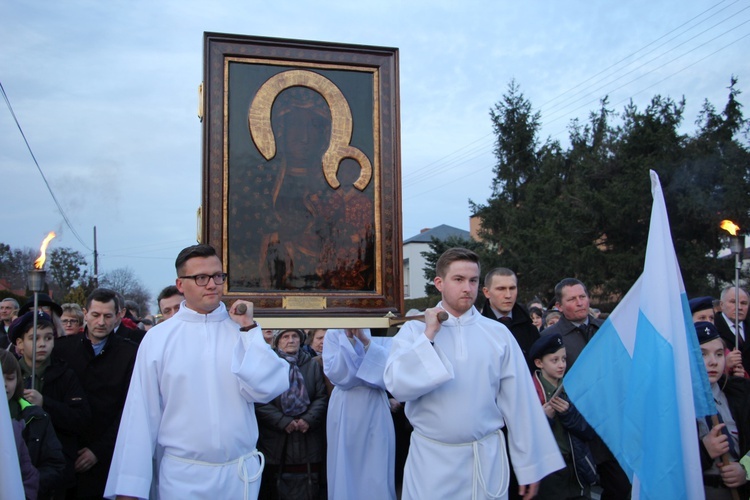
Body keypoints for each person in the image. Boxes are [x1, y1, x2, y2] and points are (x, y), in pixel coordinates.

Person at [104, 244, 289, 500]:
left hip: (239, 475)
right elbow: (141, 415)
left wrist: (249, 330)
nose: (212, 284)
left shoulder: (241, 331)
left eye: (217, 276)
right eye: (201, 278)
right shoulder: (158, 339)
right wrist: (130, 488)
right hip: (183, 477)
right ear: (180, 284)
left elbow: (267, 388)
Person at [384, 248, 563, 500]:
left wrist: (529, 465)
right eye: (458, 280)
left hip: (485, 459)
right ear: (439, 283)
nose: (467, 288)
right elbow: (399, 386)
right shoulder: (414, 332)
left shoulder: (497, 334)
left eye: (473, 280)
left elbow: (520, 403)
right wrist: (429, 336)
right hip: (431, 463)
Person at [542, 278, 630, 499]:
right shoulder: (550, 338)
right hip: (574, 429)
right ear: (559, 307)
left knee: (620, 488)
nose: (580, 303)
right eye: (572, 299)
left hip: (611, 425)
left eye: (582, 297)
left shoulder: (607, 330)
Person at [53, 288, 139, 498]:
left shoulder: (130, 353)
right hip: (66, 452)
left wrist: (98, 450)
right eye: (95, 315)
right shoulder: (63, 350)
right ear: (85, 314)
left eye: (108, 316)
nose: (101, 322)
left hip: (107, 455)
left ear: (119, 316)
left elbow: (130, 408)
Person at [11, 310, 91, 496]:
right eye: (34, 338)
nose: (42, 344)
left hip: (56, 472)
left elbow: (81, 418)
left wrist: (45, 404)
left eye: (48, 338)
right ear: (20, 344)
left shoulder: (65, 374)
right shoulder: (10, 375)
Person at [324, 328, 396, 500]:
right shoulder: (334, 332)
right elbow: (337, 375)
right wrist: (349, 340)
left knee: (377, 461)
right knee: (345, 464)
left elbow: (390, 371)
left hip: (375, 403)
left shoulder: (383, 330)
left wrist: (365, 342)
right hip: (345, 403)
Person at [256, 329, 328, 500]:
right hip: (276, 440)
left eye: (295, 336)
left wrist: (307, 420)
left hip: (308, 438)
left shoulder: (311, 365)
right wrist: (283, 421)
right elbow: (260, 399)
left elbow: (321, 396)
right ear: (277, 341)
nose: (291, 340)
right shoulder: (267, 364)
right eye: (285, 336)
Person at [529, 334, 596, 499]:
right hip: (549, 472)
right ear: (539, 363)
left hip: (576, 466)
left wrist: (569, 414)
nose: (561, 365)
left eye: (564, 359)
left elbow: (589, 431)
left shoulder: (573, 388)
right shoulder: (529, 392)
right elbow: (525, 439)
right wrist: (544, 419)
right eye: (554, 360)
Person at [695, 321, 750, 499]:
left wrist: (745, 470)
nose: (713, 362)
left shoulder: (740, 393)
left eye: (719, 354)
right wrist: (705, 452)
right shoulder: (673, 404)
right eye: (702, 354)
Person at [2, 349, 66, 498]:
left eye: (10, 378)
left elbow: (55, 465)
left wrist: (24, 486)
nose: (4, 385)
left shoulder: (36, 417)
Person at [480, 267, 540, 371]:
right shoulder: (478, 329)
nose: (508, 295)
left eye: (512, 288)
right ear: (486, 292)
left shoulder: (530, 329)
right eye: (501, 289)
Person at [715, 286, 750, 374]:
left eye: (744, 303)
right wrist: (724, 363)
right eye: (733, 302)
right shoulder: (712, 327)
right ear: (721, 305)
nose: (739, 307)